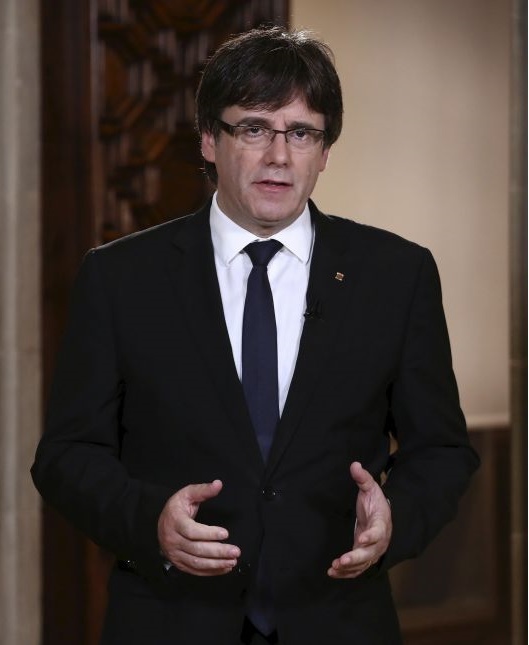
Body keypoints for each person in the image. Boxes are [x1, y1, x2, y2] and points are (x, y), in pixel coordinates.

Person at [31, 27, 478, 645]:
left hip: (340, 619)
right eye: (254, 129)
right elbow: (66, 456)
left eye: (301, 132)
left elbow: (443, 451)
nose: (279, 155)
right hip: (170, 621)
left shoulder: (396, 275)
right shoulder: (120, 277)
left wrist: (395, 521)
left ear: (324, 151)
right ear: (211, 140)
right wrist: (149, 521)